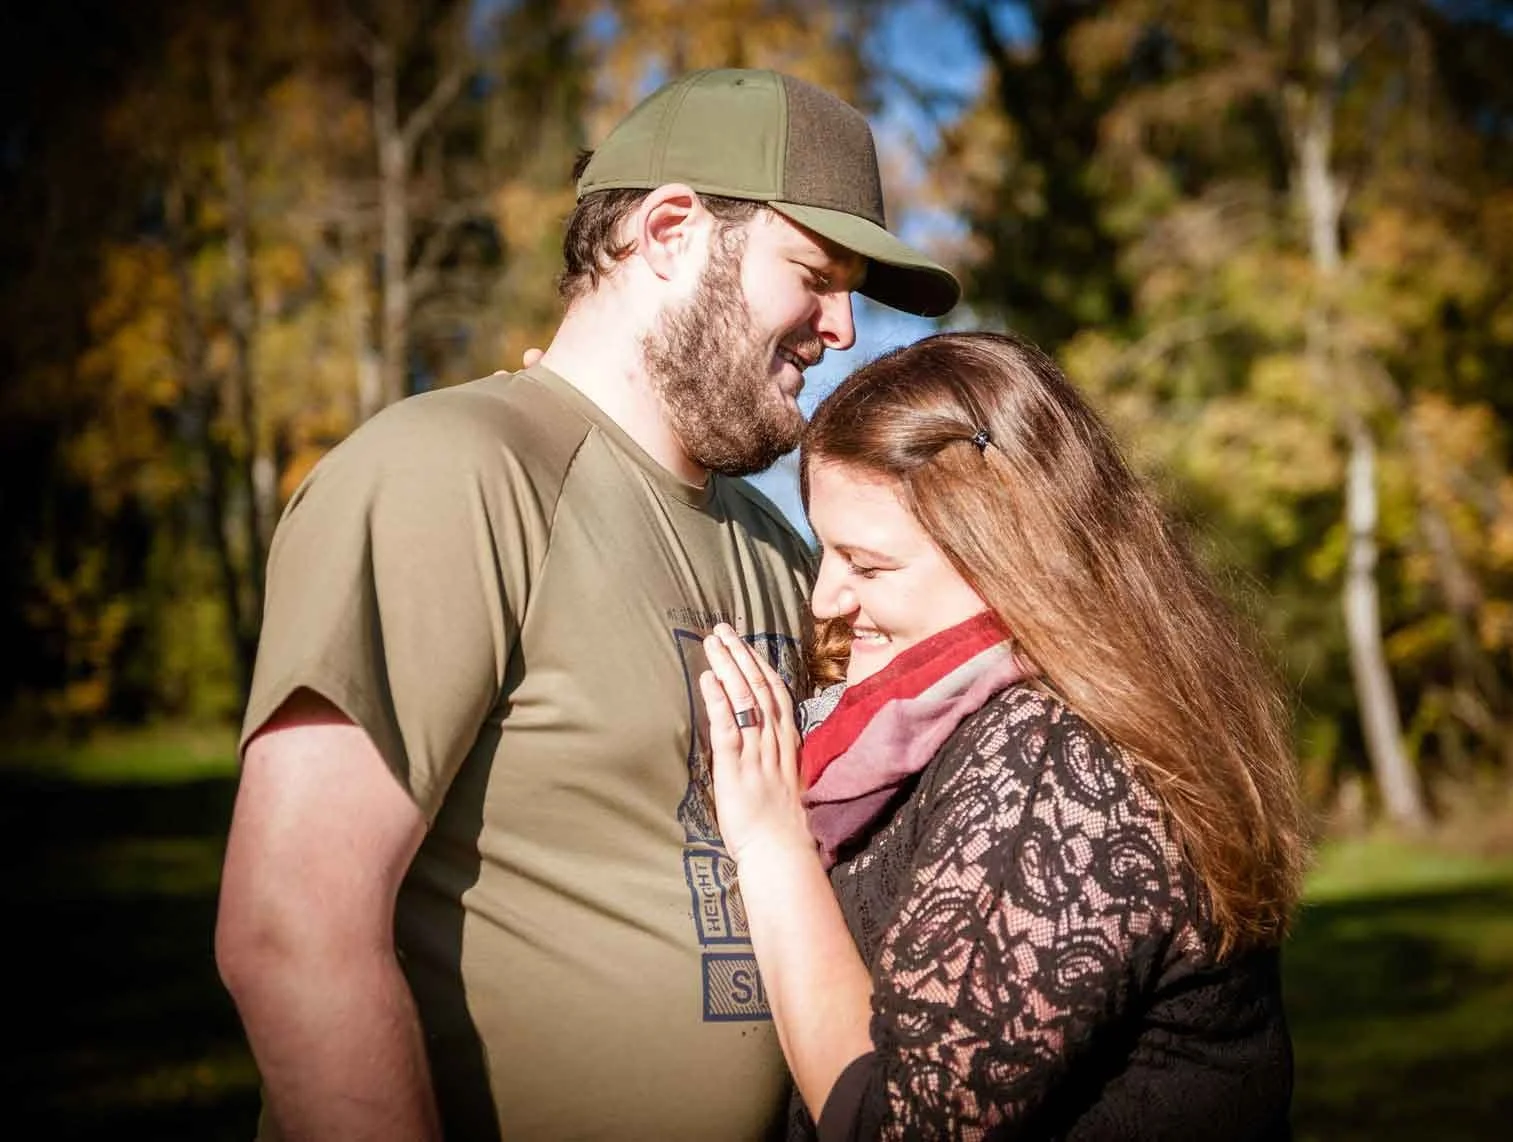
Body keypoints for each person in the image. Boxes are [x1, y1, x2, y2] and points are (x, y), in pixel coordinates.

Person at [213, 68, 959, 1142]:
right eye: (816, 274)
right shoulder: (448, 473)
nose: (843, 329)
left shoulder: (779, 545)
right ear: (667, 230)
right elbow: (292, 930)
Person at [699, 331, 1308, 1140]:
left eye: (867, 566)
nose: (825, 599)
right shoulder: (965, 713)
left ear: (1008, 556)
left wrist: (773, 842)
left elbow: (906, 1129)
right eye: (825, 552)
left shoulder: (1061, 759)